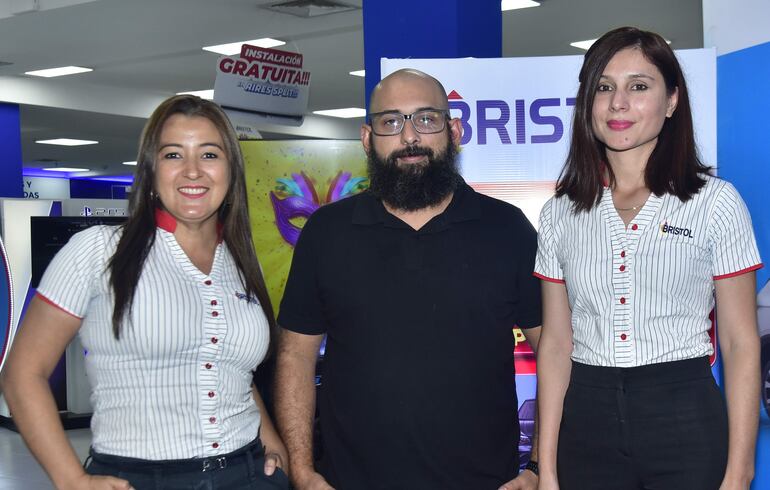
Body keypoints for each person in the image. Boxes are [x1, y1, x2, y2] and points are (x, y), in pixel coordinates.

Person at [0, 95, 289, 490]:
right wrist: (71, 479)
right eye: (173, 155)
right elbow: (22, 373)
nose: (192, 171)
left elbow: (229, 367)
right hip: (139, 479)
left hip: (249, 473)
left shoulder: (239, 262)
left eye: (209, 154)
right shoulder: (99, 250)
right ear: (151, 169)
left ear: (230, 170)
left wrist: (271, 441)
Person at [274, 68, 542, 490]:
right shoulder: (327, 232)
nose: (409, 137)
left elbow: (557, 352)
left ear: (453, 131)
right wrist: (303, 471)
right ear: (367, 138)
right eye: (391, 122)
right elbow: (295, 358)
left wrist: (539, 468)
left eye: (426, 119)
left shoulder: (507, 229)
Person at [534, 27, 762, 490]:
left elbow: (740, 343)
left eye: (639, 86)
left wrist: (739, 472)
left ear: (672, 100)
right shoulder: (559, 213)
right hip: (586, 420)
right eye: (604, 87)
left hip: (684, 416)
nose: (619, 103)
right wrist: (550, 472)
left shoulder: (715, 203)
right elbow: (556, 347)